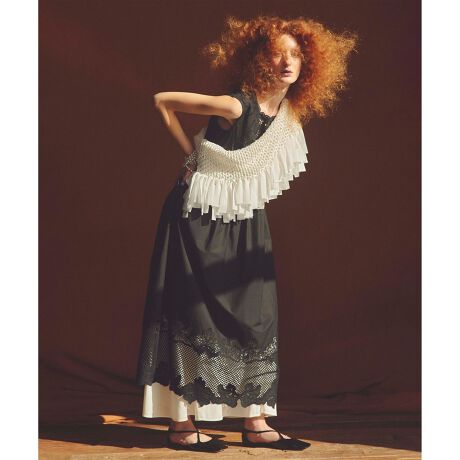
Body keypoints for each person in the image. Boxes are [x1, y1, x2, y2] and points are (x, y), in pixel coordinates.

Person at [135, 14, 357, 452]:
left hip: (245, 217)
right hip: (199, 219)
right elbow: (163, 100)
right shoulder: (237, 105)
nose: (287, 62)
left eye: (296, 54)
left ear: (309, 63)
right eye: (277, 53)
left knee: (258, 315)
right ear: (258, 59)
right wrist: (192, 155)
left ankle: (256, 422)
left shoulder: (287, 115)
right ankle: (181, 424)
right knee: (191, 313)